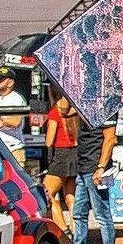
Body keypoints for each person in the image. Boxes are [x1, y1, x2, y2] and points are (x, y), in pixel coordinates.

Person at [73, 115, 117, 244]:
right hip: (83, 168)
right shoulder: (86, 108)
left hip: (97, 169)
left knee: (102, 215)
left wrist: (101, 167)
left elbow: (110, 138)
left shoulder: (107, 110)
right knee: (79, 213)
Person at [43, 85, 80, 233]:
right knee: (71, 196)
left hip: (61, 155)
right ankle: (77, 229)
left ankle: (63, 229)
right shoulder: (76, 112)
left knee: (47, 194)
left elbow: (49, 141)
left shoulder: (55, 113)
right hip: (75, 154)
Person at [0, 66, 28, 168]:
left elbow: (16, 121)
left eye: (0, 79)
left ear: (10, 83)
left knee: (15, 177)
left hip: (13, 150)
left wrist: (1, 121)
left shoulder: (16, 98)